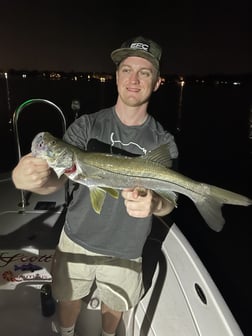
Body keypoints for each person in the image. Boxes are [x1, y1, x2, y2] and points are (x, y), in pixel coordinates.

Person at [12, 36, 179, 336]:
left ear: (157, 82)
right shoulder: (87, 126)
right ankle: (65, 331)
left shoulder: (163, 141)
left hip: (127, 250)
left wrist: (155, 204)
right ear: (116, 76)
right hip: (77, 238)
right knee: (68, 299)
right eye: (127, 69)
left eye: (145, 72)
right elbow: (57, 177)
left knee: (113, 307)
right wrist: (31, 180)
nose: (134, 79)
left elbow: (169, 202)